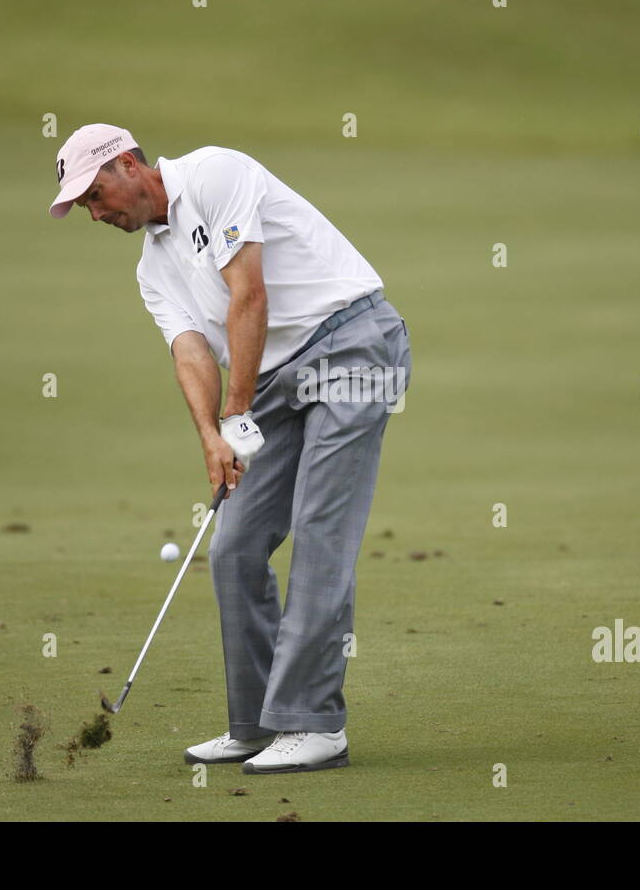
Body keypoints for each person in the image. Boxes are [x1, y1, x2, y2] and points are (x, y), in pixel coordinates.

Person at [48, 123, 411, 773]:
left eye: (96, 194)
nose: (96, 213)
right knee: (233, 546)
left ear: (130, 164)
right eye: (84, 207)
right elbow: (189, 350)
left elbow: (250, 294)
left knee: (321, 529)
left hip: (352, 342)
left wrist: (238, 412)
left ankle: (316, 725)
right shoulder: (151, 267)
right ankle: (256, 724)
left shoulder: (215, 174)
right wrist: (212, 435)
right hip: (273, 376)